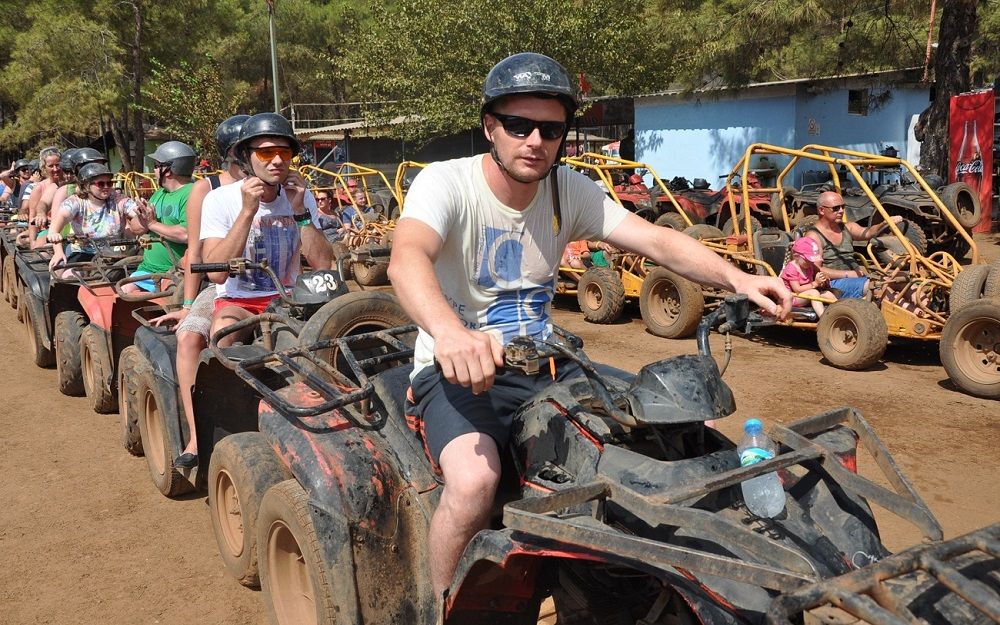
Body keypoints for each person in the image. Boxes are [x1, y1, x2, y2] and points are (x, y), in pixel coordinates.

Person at [387, 52, 790, 599]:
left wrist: (737, 279)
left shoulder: (566, 191)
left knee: (653, 438)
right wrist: (450, 333)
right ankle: (442, 600)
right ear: (490, 127)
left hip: (546, 364)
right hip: (459, 371)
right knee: (474, 482)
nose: (534, 140)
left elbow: (656, 240)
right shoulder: (447, 184)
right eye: (518, 125)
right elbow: (406, 256)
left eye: (550, 129)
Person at [149, 116, 249, 469]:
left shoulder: (282, 185)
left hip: (277, 285)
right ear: (234, 152)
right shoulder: (205, 190)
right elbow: (194, 250)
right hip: (222, 283)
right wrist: (189, 305)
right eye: (252, 147)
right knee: (191, 336)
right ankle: (196, 434)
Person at [201, 111, 332, 347]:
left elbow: (323, 264)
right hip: (239, 301)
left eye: (285, 152)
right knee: (222, 335)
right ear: (245, 157)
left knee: (317, 345)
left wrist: (300, 210)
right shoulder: (218, 199)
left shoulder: (302, 195)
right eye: (266, 152)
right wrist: (247, 212)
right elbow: (216, 273)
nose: (278, 160)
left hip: (292, 299)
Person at [121, 141, 196, 294]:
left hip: (176, 274)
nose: (154, 170)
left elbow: (186, 234)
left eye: (156, 165)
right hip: (147, 270)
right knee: (124, 293)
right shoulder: (159, 193)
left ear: (168, 170)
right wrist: (142, 217)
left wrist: (152, 223)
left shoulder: (192, 193)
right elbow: (136, 229)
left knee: (164, 301)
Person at [804, 190, 903, 299]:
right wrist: (849, 274)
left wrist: (884, 223)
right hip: (833, 284)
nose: (841, 211)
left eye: (843, 207)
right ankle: (914, 313)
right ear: (821, 210)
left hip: (858, 279)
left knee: (903, 282)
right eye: (836, 208)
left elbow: (868, 232)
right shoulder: (814, 236)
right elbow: (817, 270)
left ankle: (923, 312)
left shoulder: (848, 227)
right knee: (882, 289)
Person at [46, 162, 138, 274]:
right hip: (85, 253)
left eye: (109, 183)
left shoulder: (117, 199)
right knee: (67, 275)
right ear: (86, 185)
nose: (106, 187)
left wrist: (143, 212)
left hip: (117, 254)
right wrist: (57, 249)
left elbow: (135, 210)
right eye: (101, 184)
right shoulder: (76, 202)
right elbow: (59, 220)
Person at [780, 236, 836, 317]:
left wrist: (822, 281)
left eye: (812, 260)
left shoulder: (809, 266)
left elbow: (813, 283)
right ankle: (824, 318)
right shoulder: (791, 268)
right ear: (796, 256)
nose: (811, 263)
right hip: (792, 298)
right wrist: (815, 283)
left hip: (806, 295)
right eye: (808, 260)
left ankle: (842, 311)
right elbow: (797, 290)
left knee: (827, 293)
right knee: (814, 292)